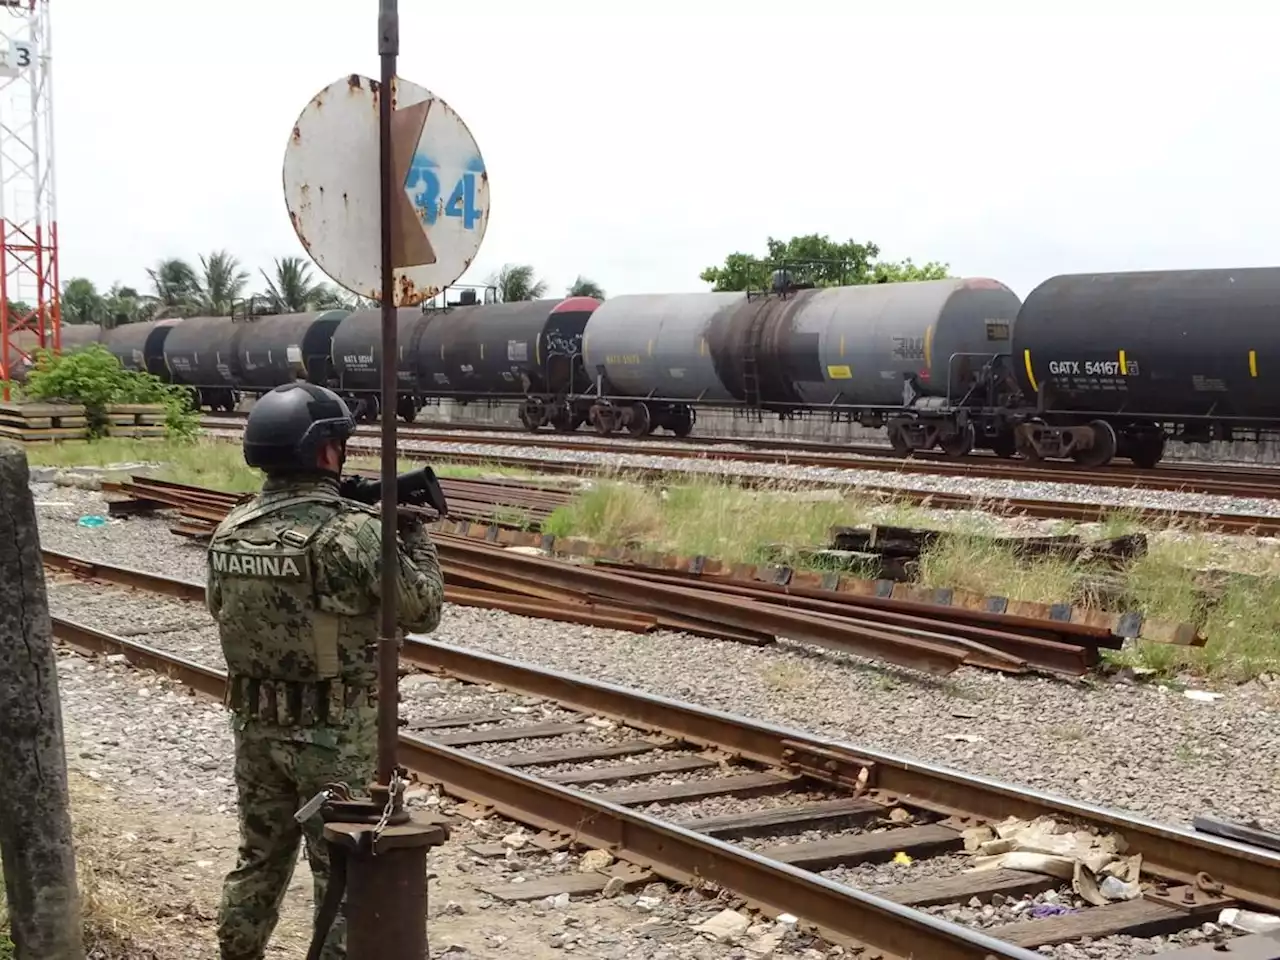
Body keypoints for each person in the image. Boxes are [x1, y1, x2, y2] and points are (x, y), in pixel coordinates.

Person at [206, 382, 444, 960]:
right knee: (341, 871)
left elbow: (222, 609)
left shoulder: (232, 527)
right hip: (333, 736)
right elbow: (424, 609)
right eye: (338, 442)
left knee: (258, 859)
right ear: (323, 451)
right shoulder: (350, 531)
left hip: (256, 726)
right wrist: (410, 530)